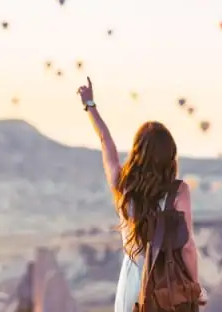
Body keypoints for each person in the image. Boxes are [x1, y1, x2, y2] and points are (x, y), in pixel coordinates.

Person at [76, 77, 202, 312]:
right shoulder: (178, 191)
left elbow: (106, 144)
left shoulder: (123, 187)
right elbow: (187, 246)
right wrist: (193, 286)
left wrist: (90, 106)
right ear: (169, 156)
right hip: (166, 287)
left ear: (137, 153)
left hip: (132, 283)